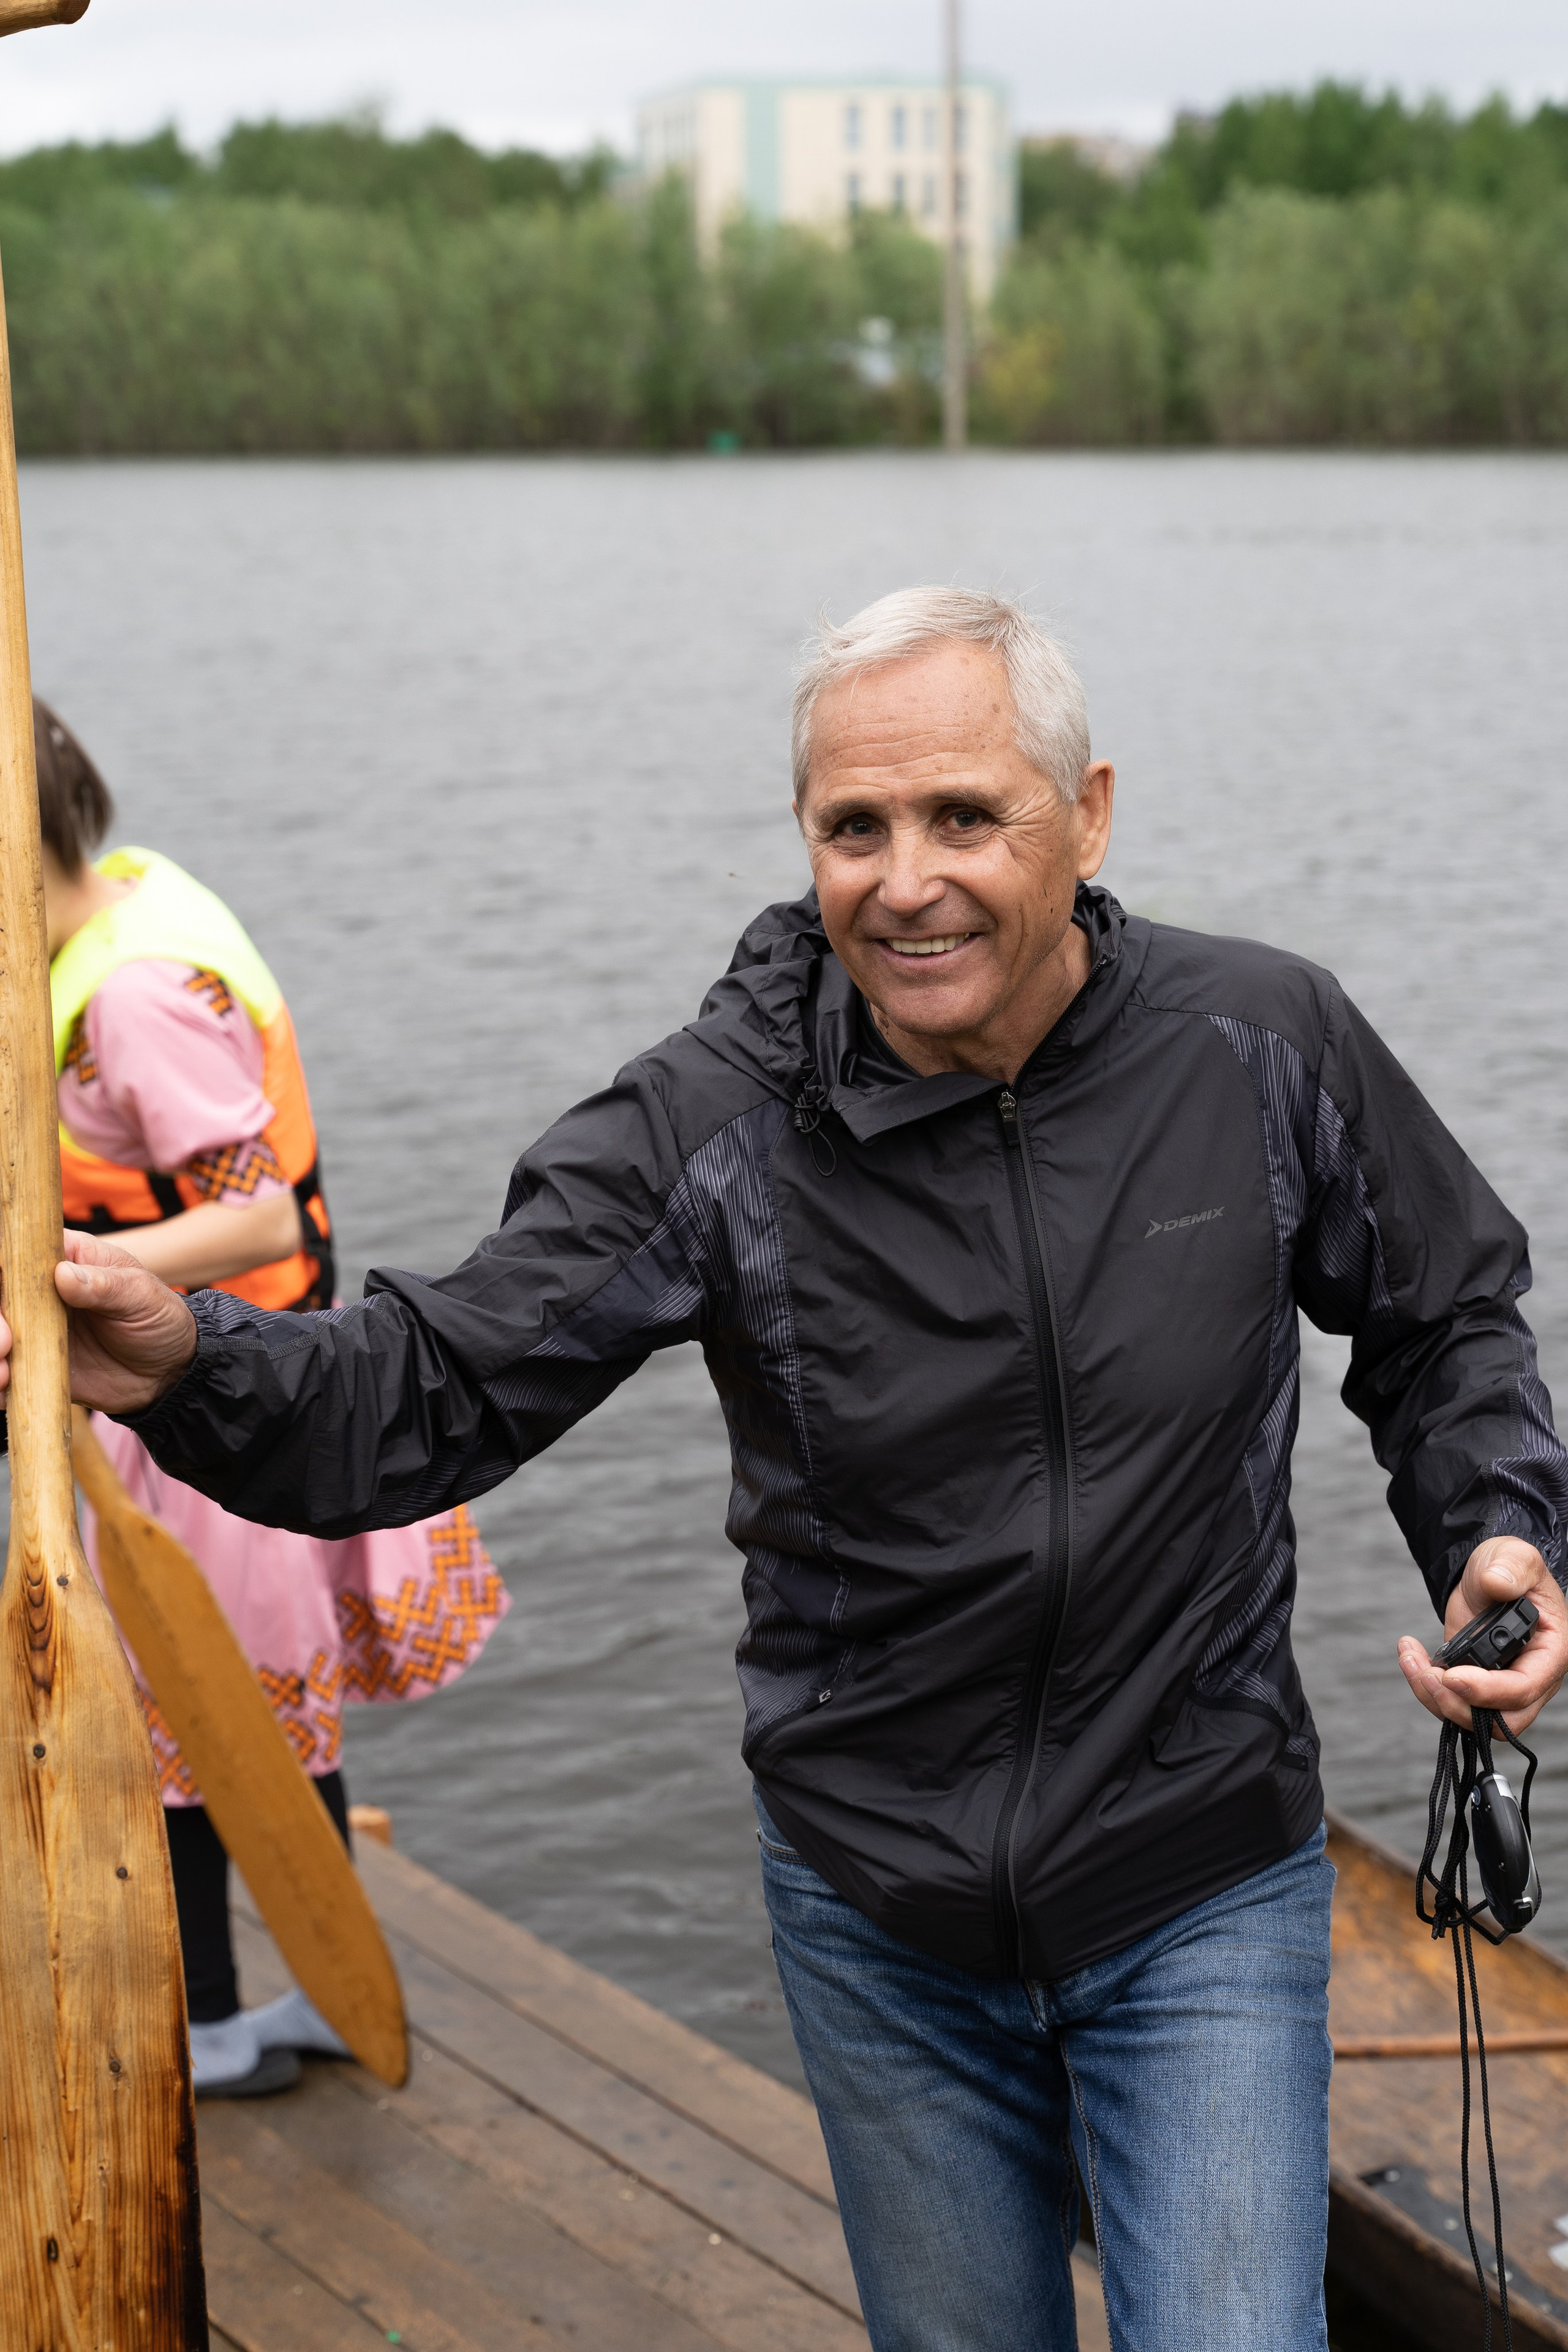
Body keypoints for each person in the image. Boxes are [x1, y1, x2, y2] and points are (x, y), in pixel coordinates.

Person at [8, 591, 1565, 2348]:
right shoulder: (714, 1121)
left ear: (1088, 815)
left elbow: (1443, 1311)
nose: (906, 882)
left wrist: (1498, 1523)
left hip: (1198, 1876)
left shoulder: (1263, 1045)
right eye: (854, 828)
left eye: (964, 816)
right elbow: (430, 1386)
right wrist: (189, 1361)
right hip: (877, 1907)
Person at [29, 701, 509, 2100]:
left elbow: (254, 1219)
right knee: (232, 1706)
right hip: (222, 1385)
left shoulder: (131, 997)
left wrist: (61, 1268)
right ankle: (301, 1986)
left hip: (212, 1406)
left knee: (194, 1715)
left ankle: (220, 2021)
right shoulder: (125, 896)